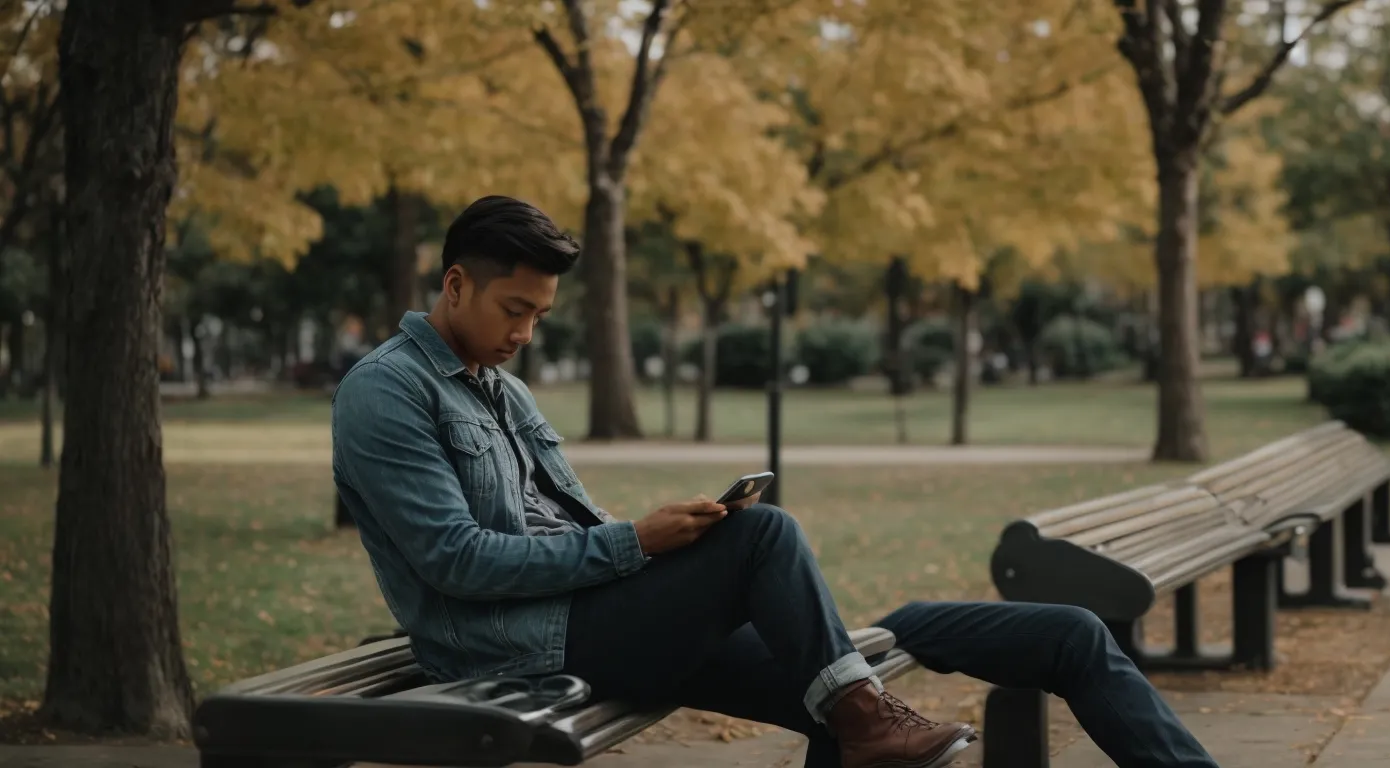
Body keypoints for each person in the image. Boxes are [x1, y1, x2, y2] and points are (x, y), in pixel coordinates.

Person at [330, 196, 1221, 768]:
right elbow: (455, 560)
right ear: (454, 284)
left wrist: (662, 543)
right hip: (515, 646)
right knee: (772, 546)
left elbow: (559, 520)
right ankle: (863, 711)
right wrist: (633, 544)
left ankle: (858, 707)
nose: (526, 331)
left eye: (541, 316)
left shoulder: (501, 385)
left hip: (596, 613)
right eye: (514, 309)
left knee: (845, 658)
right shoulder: (386, 393)